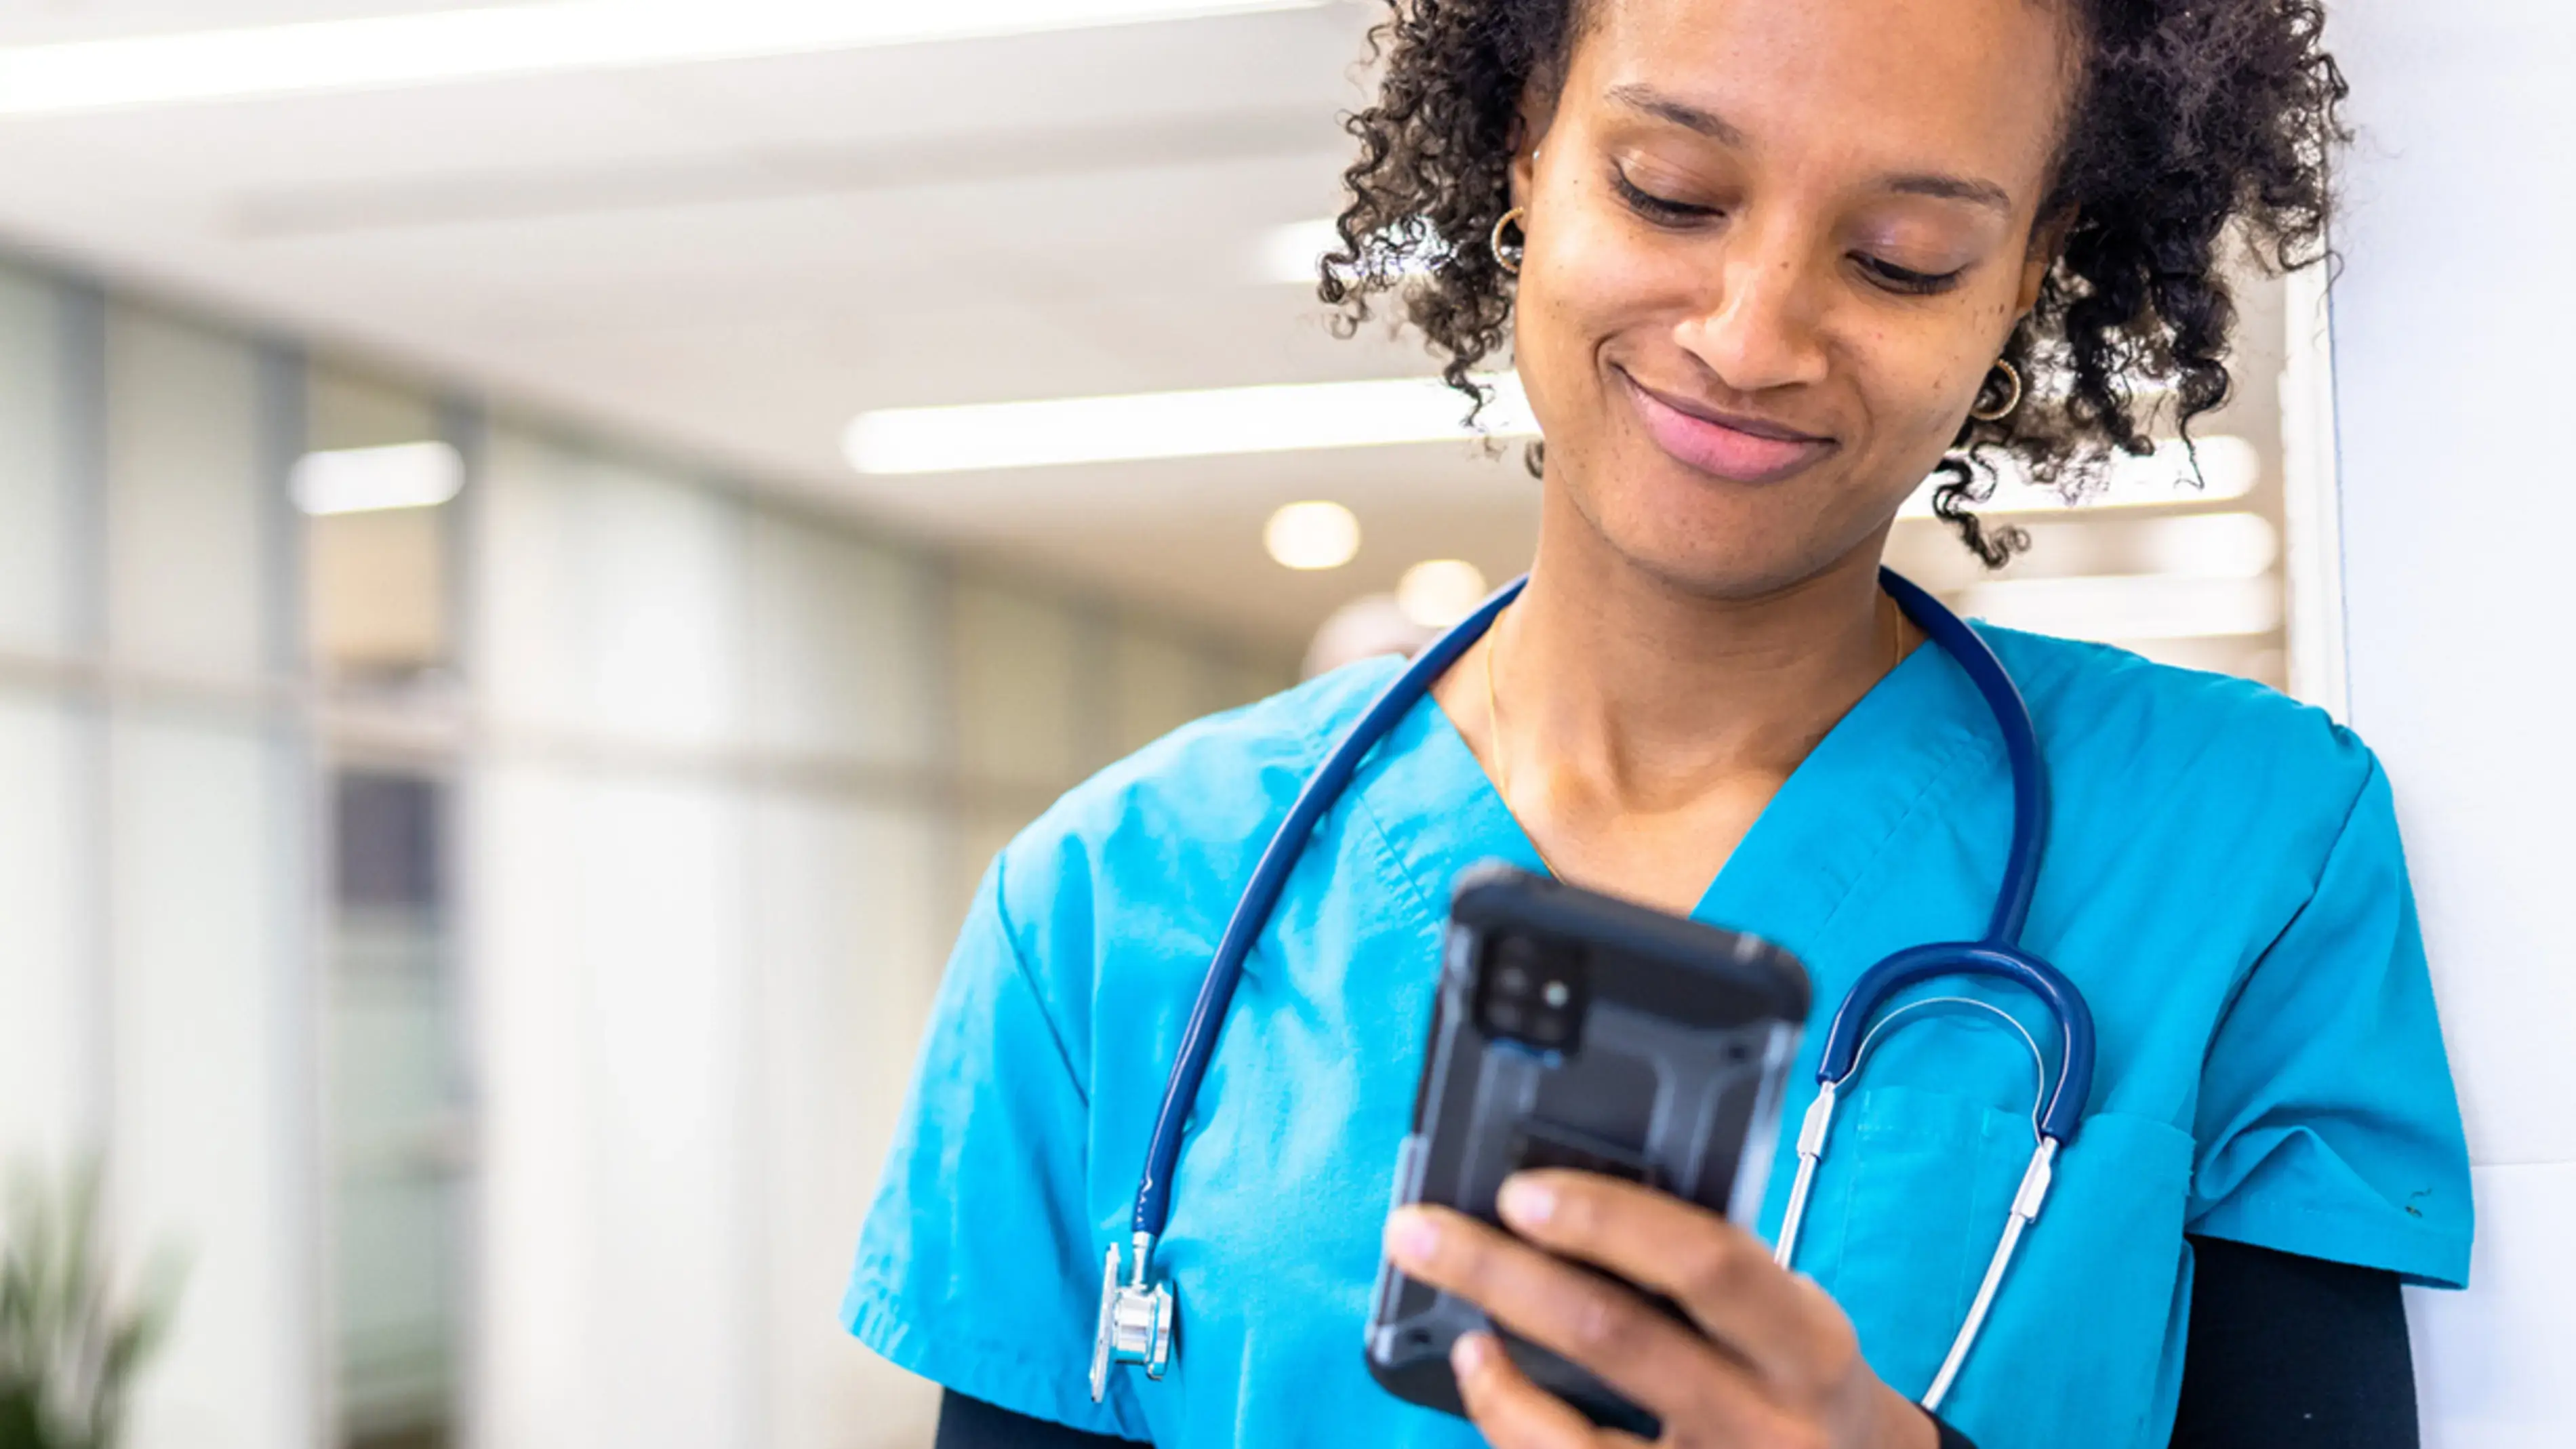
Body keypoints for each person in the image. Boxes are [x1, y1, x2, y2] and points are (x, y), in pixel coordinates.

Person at [845, 0, 2472, 1445]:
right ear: (1521, 154)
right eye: (1669, 192)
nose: (1750, 337)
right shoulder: (1117, 901)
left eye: (1902, 254)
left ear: (2026, 282)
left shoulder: (2244, 845)